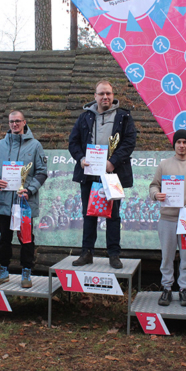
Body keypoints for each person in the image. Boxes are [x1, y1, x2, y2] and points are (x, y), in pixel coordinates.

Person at [69, 79, 137, 269]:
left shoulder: (124, 117)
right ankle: (87, 252)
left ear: (113, 95)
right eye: (101, 93)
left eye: (108, 93)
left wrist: (112, 162)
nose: (105, 96)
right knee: (88, 214)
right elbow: (73, 142)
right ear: (95, 96)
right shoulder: (84, 117)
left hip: (112, 174)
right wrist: (81, 158)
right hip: (88, 174)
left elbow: (129, 142)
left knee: (113, 215)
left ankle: (114, 254)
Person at [149, 130, 186, 307]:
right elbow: (153, 186)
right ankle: (166, 288)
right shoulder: (164, 165)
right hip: (167, 218)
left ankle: (184, 289)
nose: (181, 145)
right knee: (167, 256)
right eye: (178, 142)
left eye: (185, 142)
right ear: (174, 144)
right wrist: (156, 195)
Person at [0, 110, 47, 287]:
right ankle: (3, 270)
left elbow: (42, 172)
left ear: (24, 122)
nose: (14, 124)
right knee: (5, 237)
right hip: (5, 200)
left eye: (18, 121)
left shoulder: (35, 145)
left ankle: (26, 272)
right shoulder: (0, 146)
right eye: (11, 122)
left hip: (24, 201)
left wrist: (30, 190)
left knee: (26, 238)